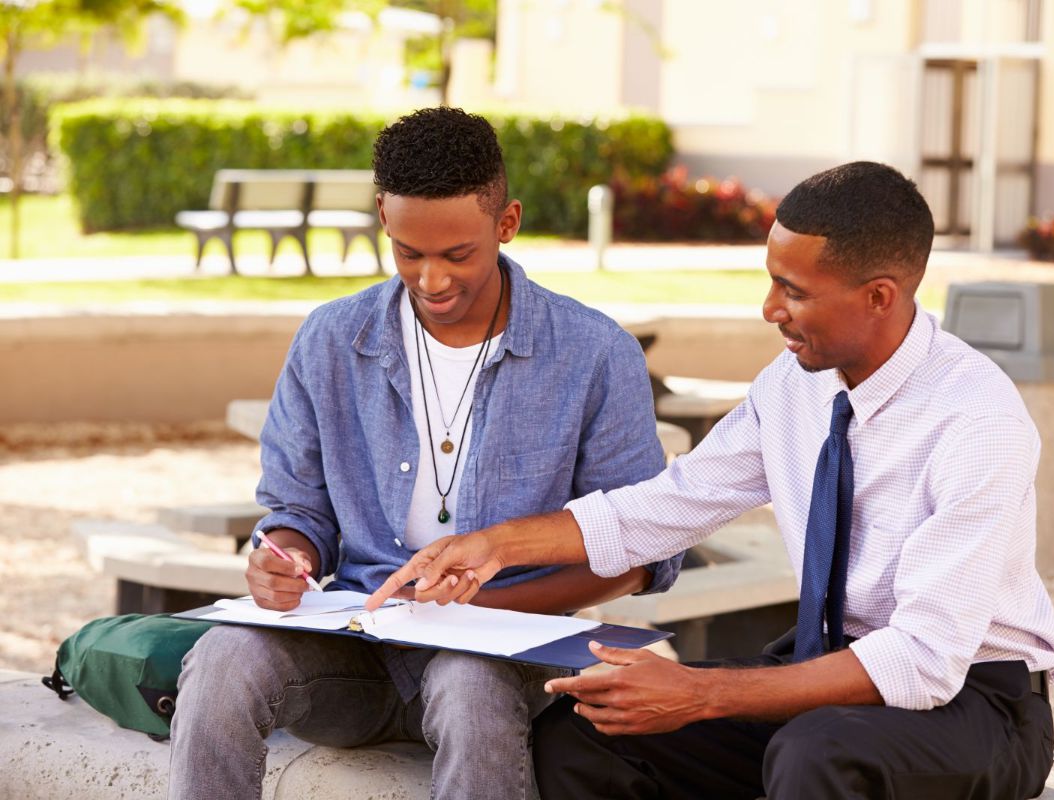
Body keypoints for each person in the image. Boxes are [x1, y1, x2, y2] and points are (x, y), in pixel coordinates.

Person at [367, 161, 1054, 800]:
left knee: (814, 756)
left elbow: (923, 661)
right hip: (829, 674)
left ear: (879, 296)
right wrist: (497, 546)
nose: (769, 309)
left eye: (792, 291)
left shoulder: (976, 423)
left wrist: (699, 692)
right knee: (584, 733)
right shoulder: (794, 388)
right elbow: (668, 506)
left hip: (975, 703)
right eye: (771, 281)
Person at [168, 107, 682, 800]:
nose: (432, 280)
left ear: (507, 224)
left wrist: (479, 611)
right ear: (382, 214)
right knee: (222, 658)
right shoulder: (330, 339)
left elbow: (641, 551)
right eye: (409, 252)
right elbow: (297, 511)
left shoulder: (595, 354)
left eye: (457, 255)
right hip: (353, 651)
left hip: (502, 652)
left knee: (468, 685)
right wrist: (286, 557)